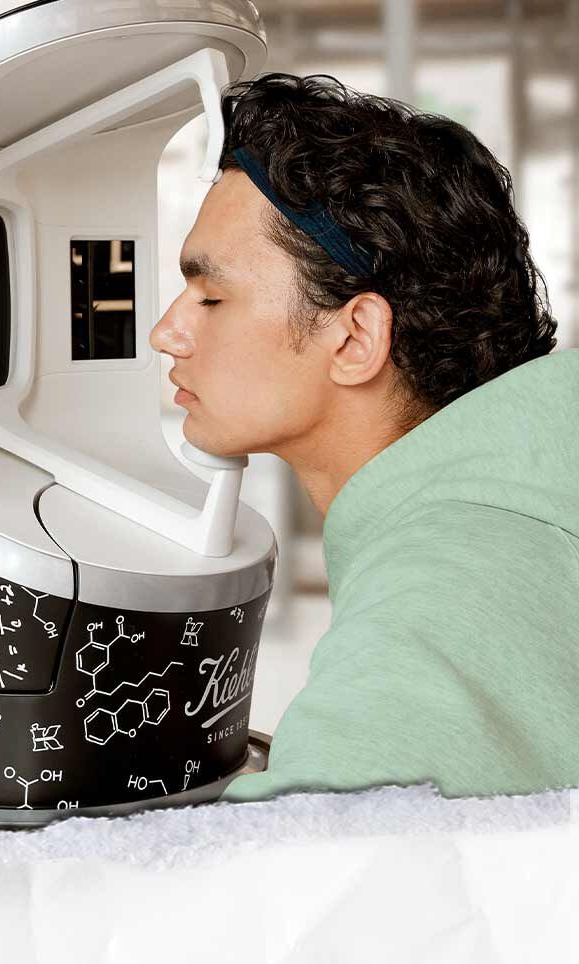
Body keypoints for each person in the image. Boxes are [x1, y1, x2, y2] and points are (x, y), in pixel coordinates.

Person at [149, 73, 579, 803]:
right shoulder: (516, 513)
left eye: (211, 297)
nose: (167, 333)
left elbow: (313, 859)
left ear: (355, 338)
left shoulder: (444, 585)